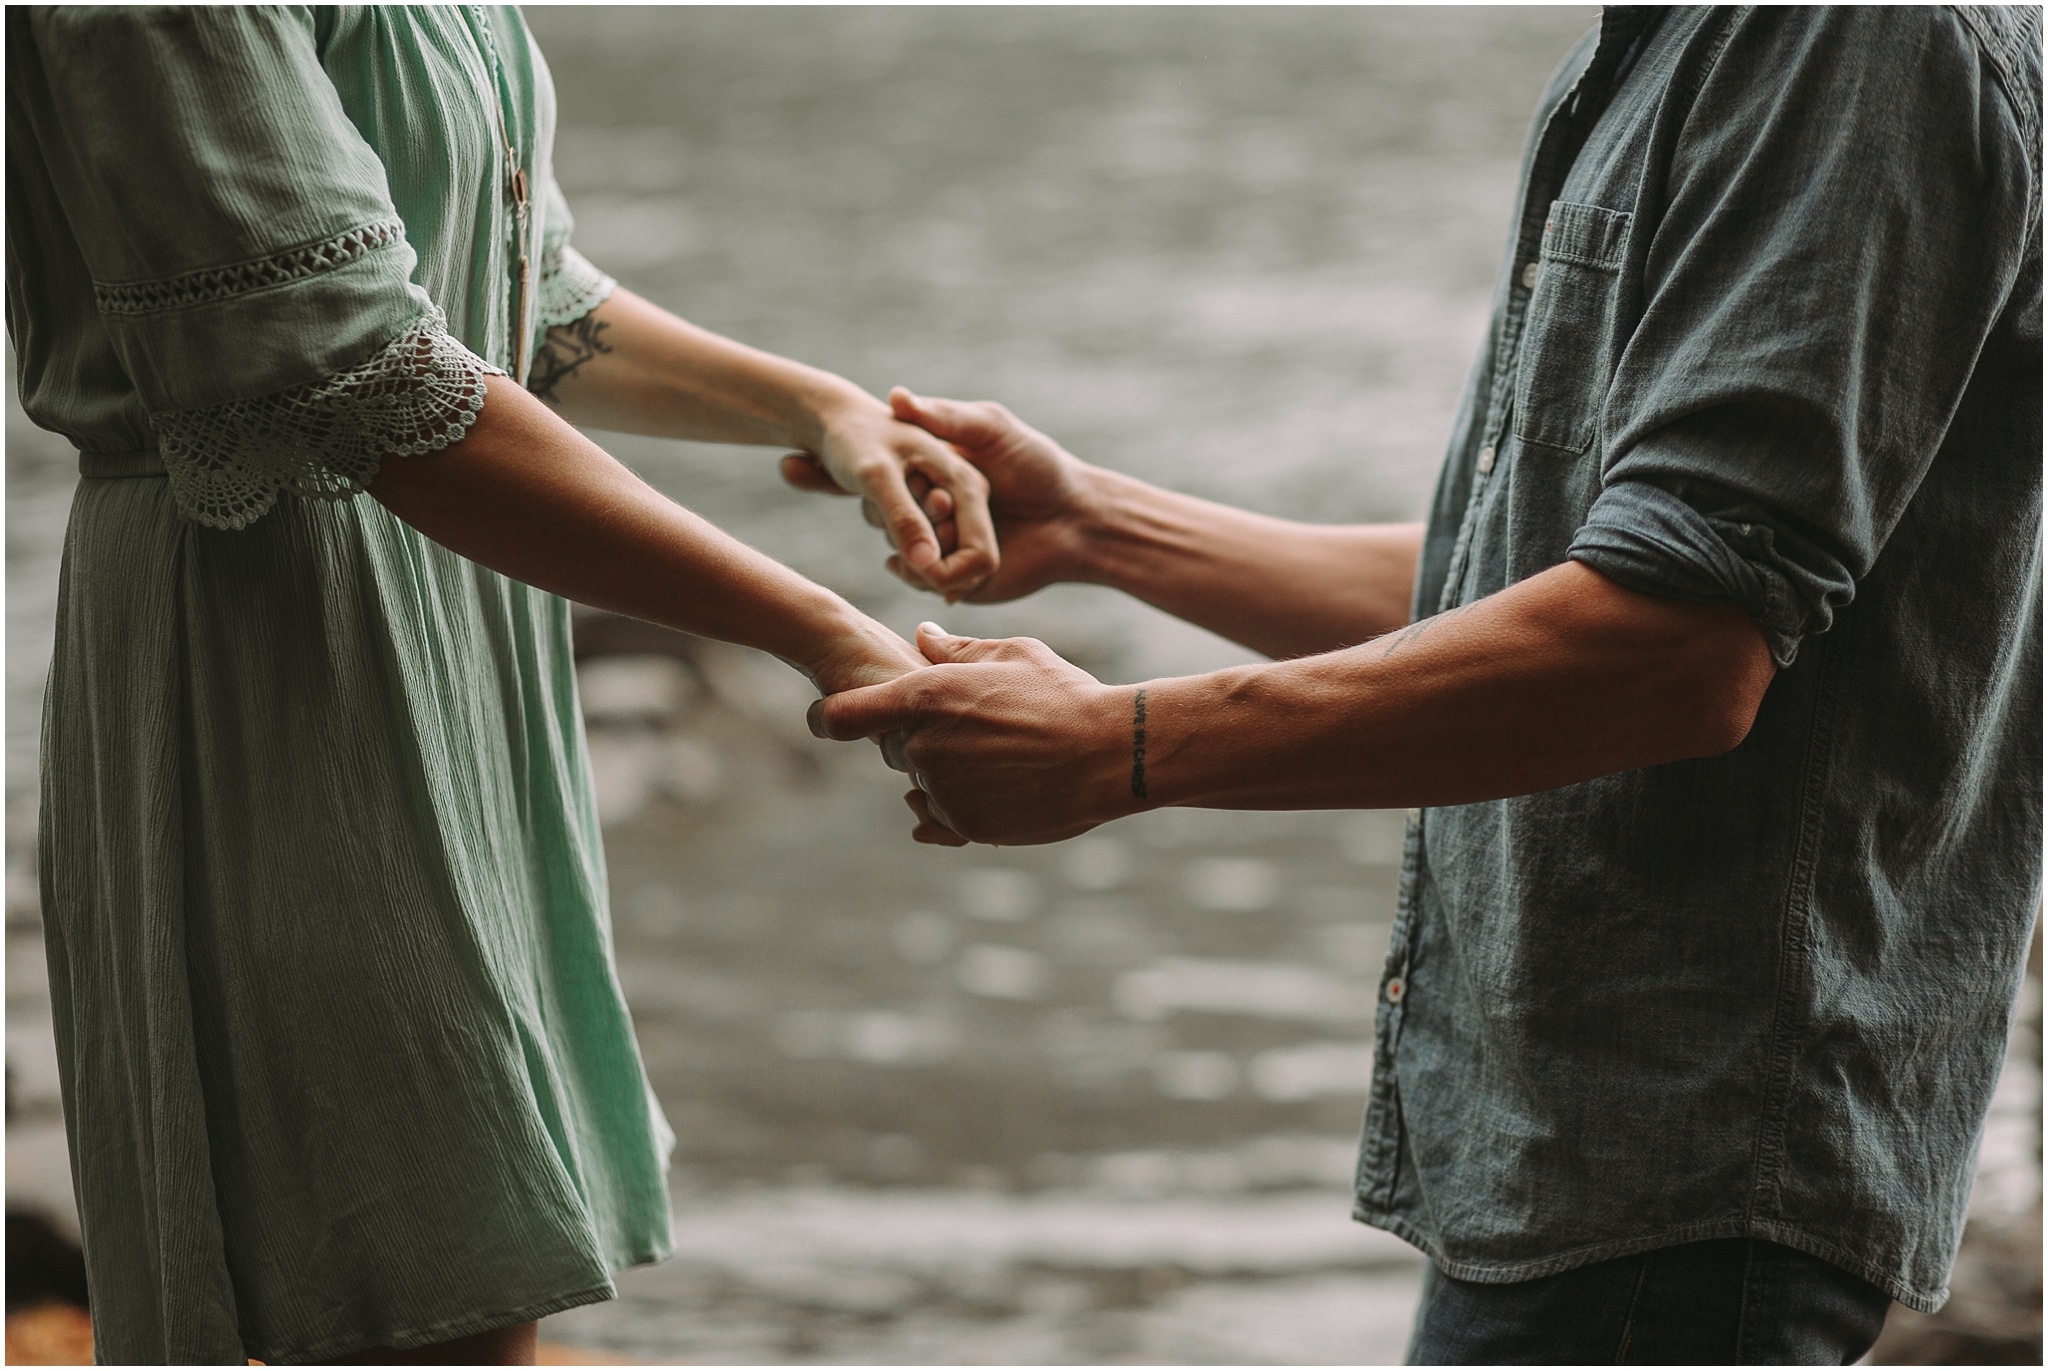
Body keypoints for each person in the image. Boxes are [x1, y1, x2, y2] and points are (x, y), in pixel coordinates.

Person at [810, 6, 2042, 1362]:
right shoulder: (1690, 43)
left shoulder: (1846, 37)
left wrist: (1120, 746)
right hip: (1606, 1153)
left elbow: (1674, 646)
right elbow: (1540, 578)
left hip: (1689, 1160)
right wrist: (1105, 529)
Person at [8, 7, 998, 1365]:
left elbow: (517, 289)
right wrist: (828, 632)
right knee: (413, 1294)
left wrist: (817, 408)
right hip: (279, 655)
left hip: (459, 621)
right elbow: (352, 365)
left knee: (467, 1286)